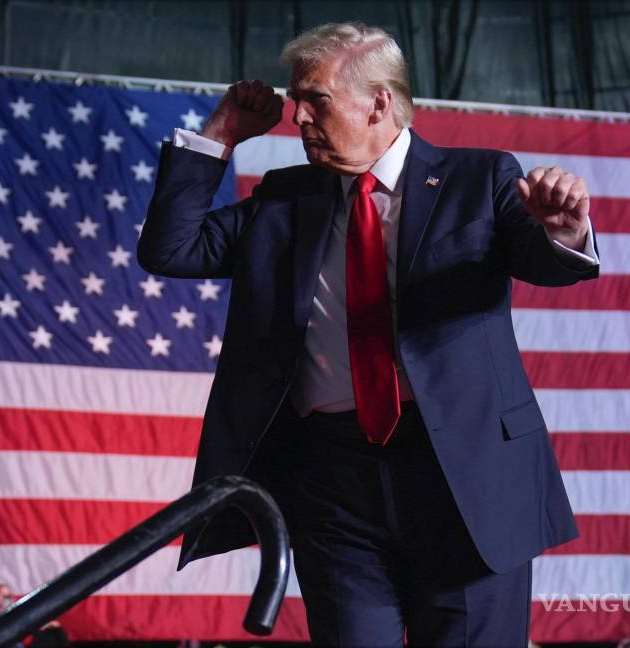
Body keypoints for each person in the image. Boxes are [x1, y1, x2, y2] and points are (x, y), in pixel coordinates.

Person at [138, 20, 600, 645]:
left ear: (379, 101)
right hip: (332, 484)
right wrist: (221, 134)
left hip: (466, 479)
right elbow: (171, 249)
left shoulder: (480, 179)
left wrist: (564, 230)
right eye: (295, 99)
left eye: (315, 99)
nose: (296, 115)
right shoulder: (283, 199)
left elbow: (548, 262)